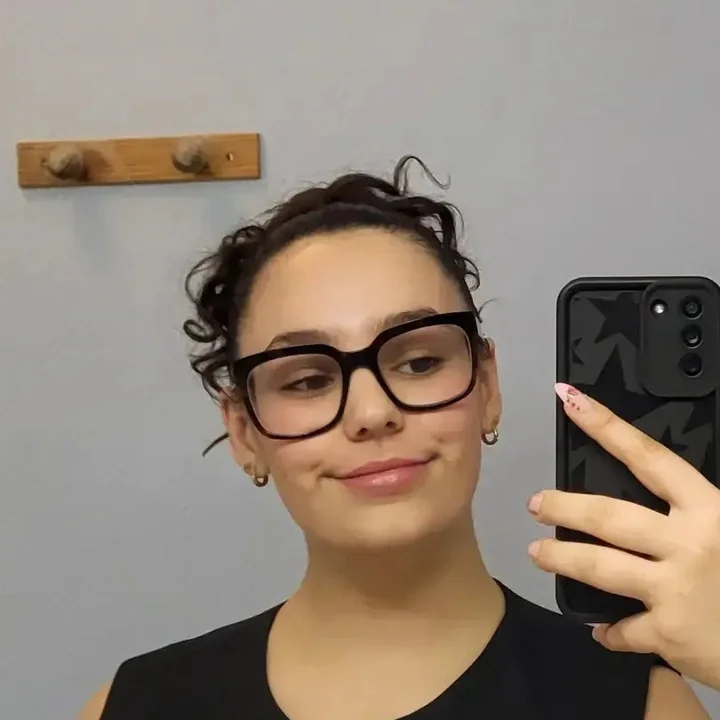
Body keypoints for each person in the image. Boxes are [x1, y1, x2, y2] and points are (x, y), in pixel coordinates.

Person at [79, 157, 717, 720]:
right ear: (245, 433)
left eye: (418, 362)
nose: (372, 412)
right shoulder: (133, 705)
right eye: (307, 380)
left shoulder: (640, 704)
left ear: (487, 387)